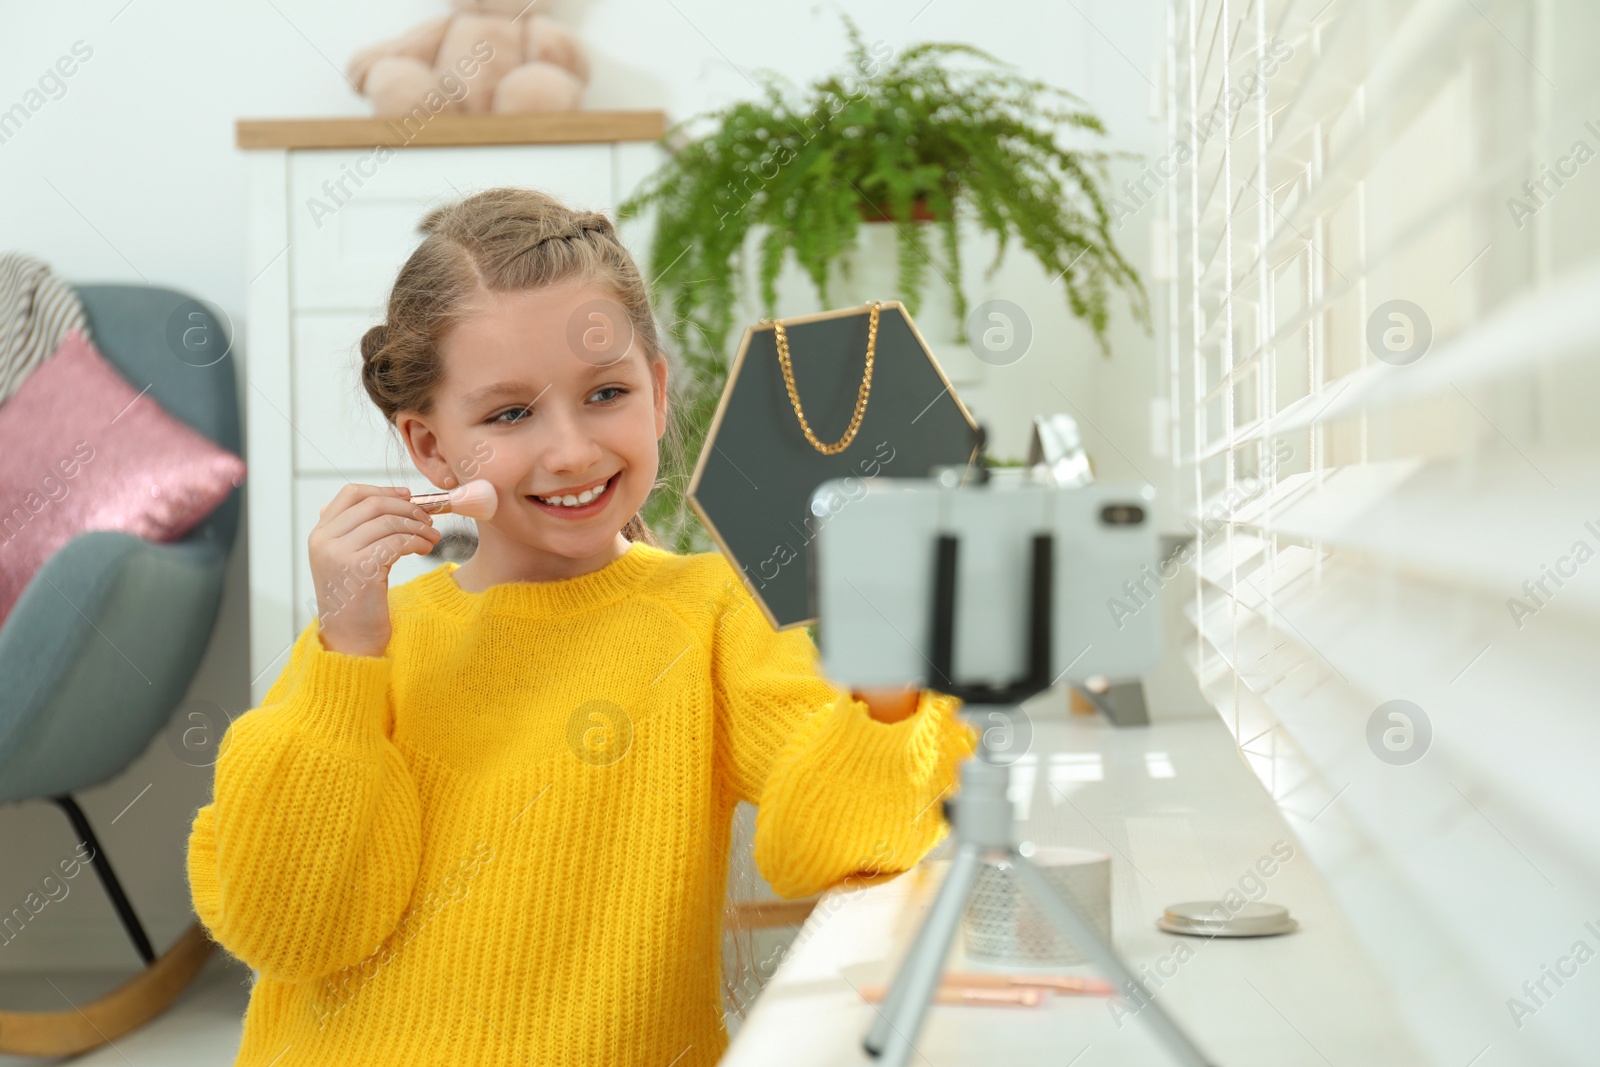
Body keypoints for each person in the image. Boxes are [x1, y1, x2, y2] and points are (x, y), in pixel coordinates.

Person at [185, 186, 977, 1066]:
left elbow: (834, 847)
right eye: (510, 413)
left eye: (606, 393)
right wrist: (349, 653)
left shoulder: (714, 612)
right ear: (429, 446)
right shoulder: (361, 644)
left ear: (659, 389)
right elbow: (289, 928)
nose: (571, 450)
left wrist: (889, 668)